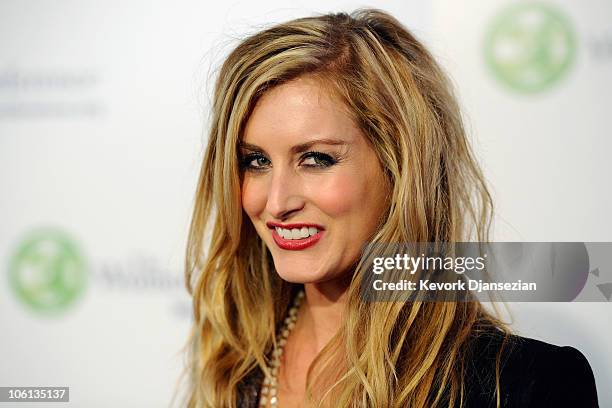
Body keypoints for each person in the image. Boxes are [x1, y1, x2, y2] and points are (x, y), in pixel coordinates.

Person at [181, 8, 599, 407]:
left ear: (399, 168)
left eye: (316, 159)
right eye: (256, 161)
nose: (276, 202)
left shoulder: (528, 384)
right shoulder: (235, 362)